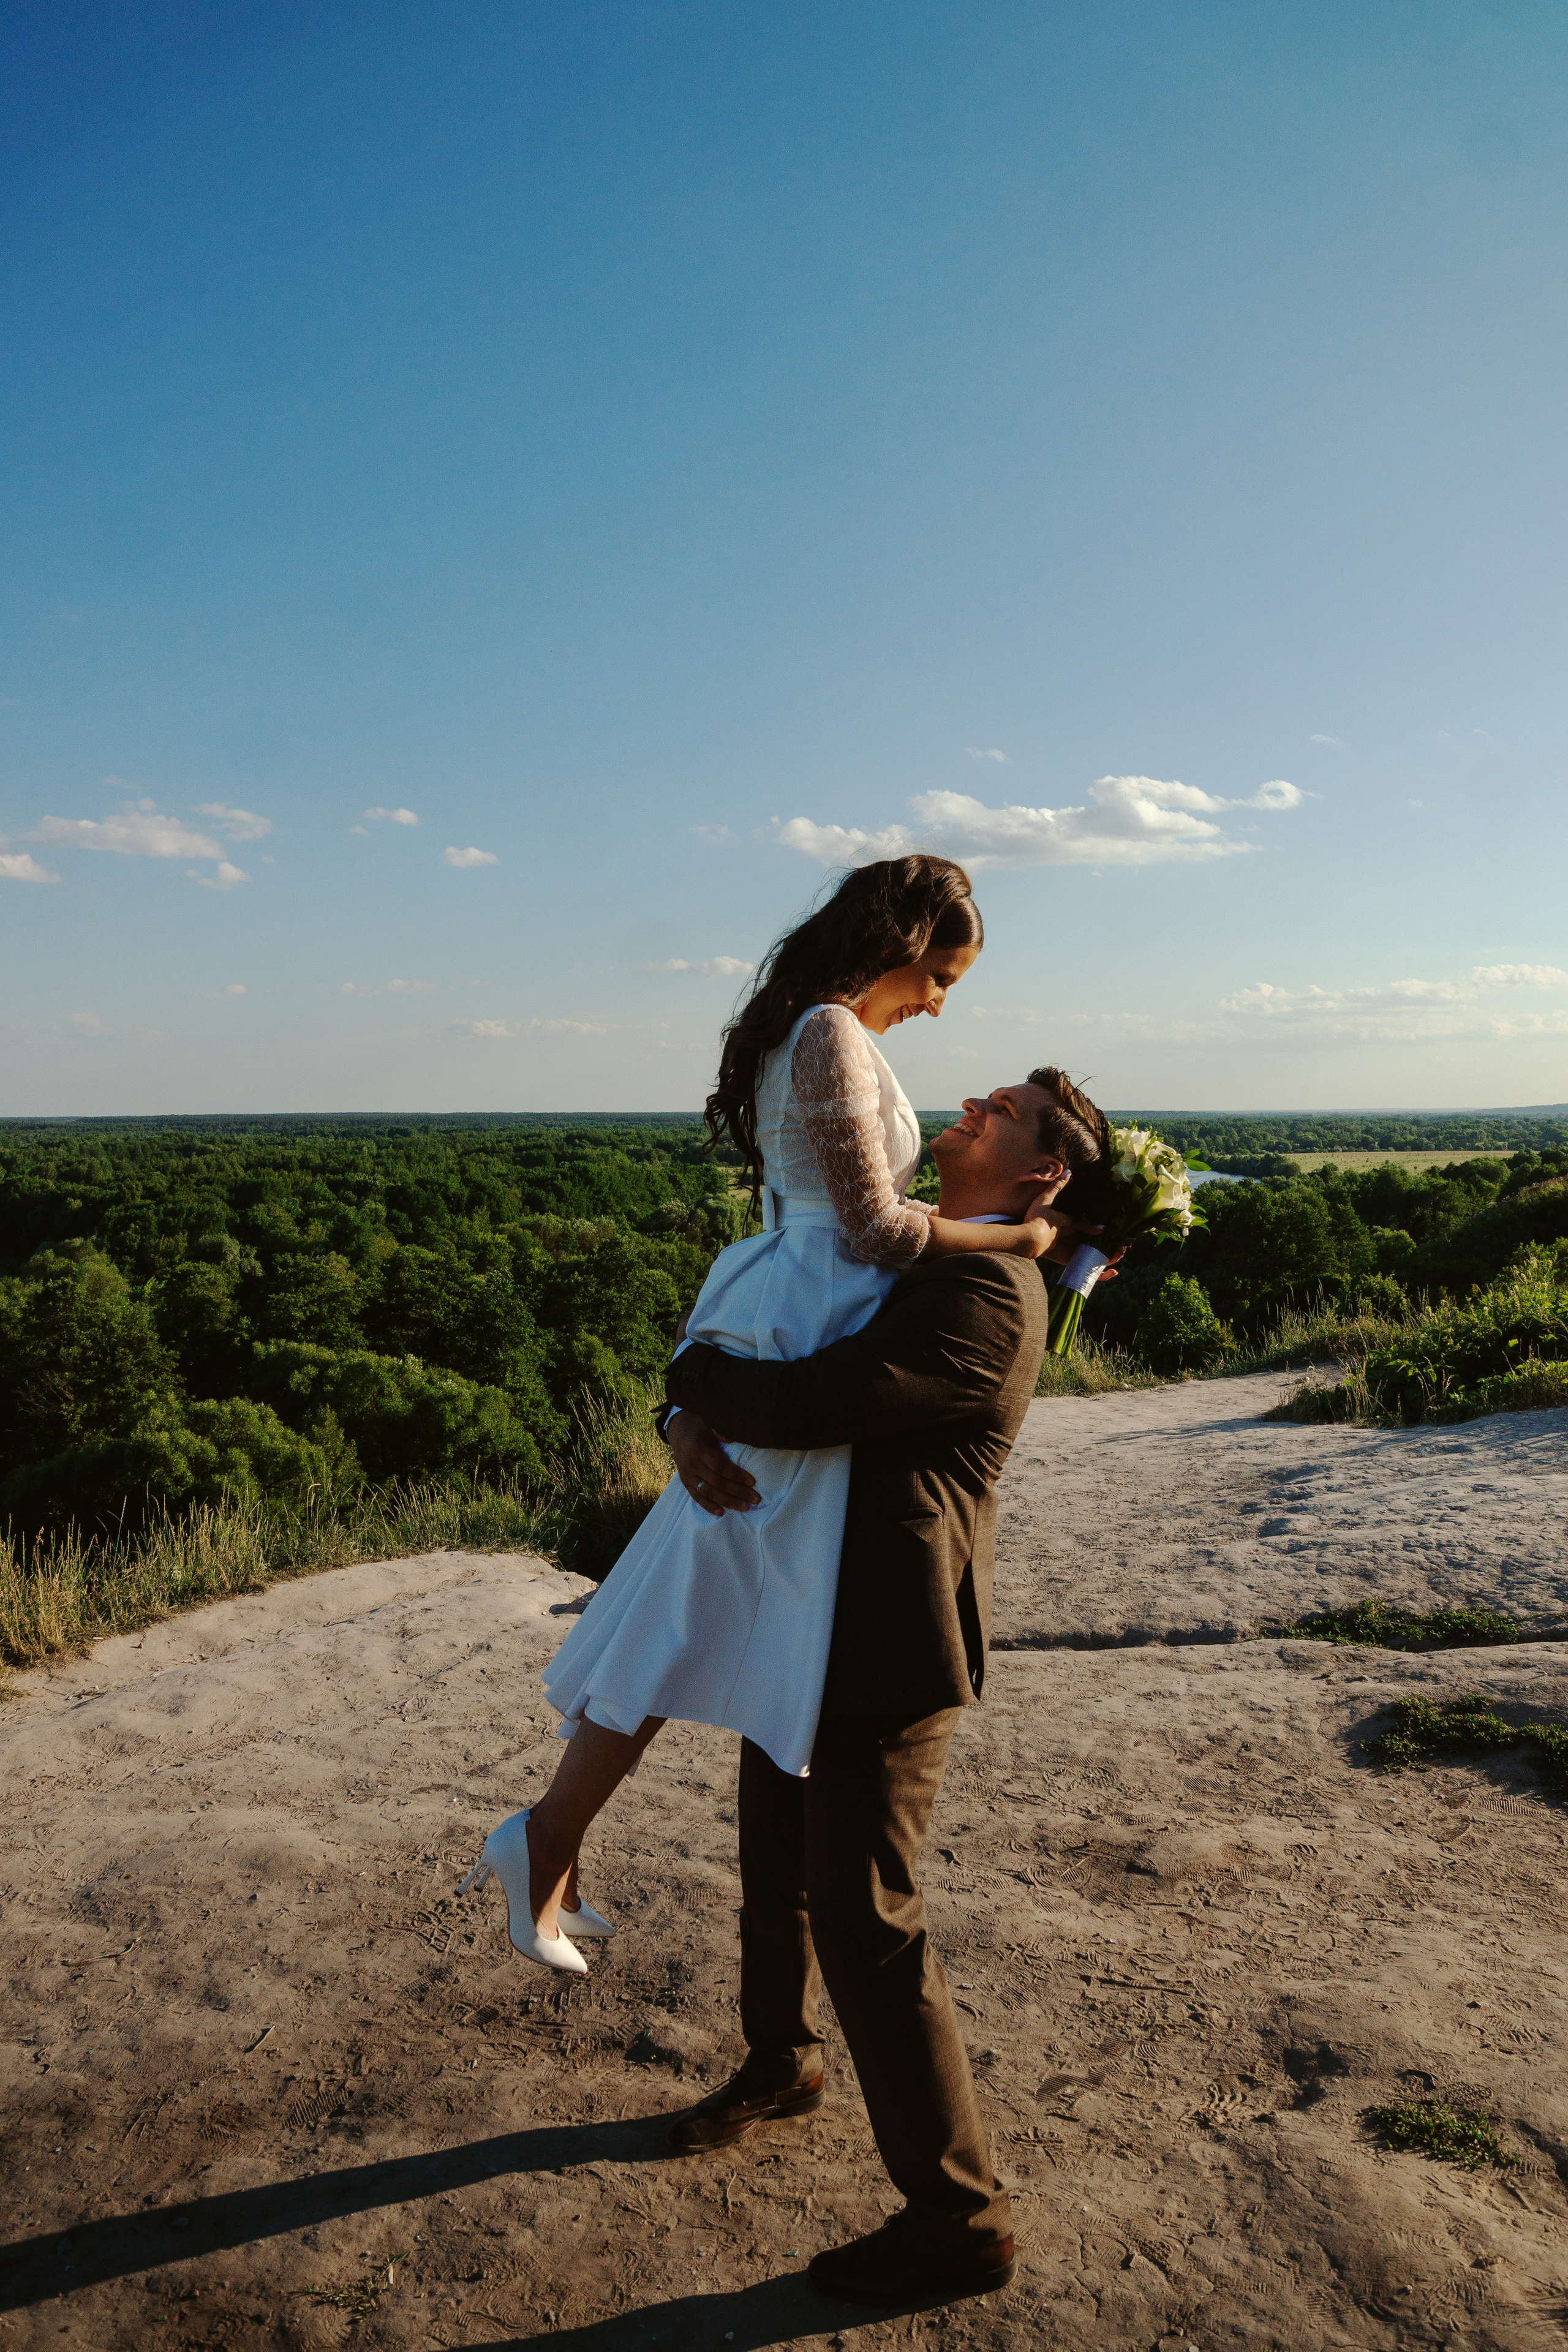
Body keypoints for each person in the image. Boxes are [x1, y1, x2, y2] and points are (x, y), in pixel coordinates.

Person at [458, 856, 1094, 1973]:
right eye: (943, 974)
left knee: (687, 1593)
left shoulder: (827, 1033)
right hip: (809, 1310)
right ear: (901, 945)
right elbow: (880, 1233)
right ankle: (543, 1841)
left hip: (798, 1307)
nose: (943, 1002)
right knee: (682, 1598)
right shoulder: (835, 1034)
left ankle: (550, 1854)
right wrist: (1023, 1240)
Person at [656, 1066, 1115, 2311]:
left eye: (1003, 1109)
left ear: (1040, 1174)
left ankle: (957, 2217)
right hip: (800, 1616)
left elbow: (818, 1400)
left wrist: (693, 1379)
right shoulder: (913, 1252)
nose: (972, 1102)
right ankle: (779, 2062)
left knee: (867, 1917)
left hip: (881, 1640)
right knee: (773, 1857)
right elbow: (781, 1339)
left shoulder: (984, 1289)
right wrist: (682, 1404)